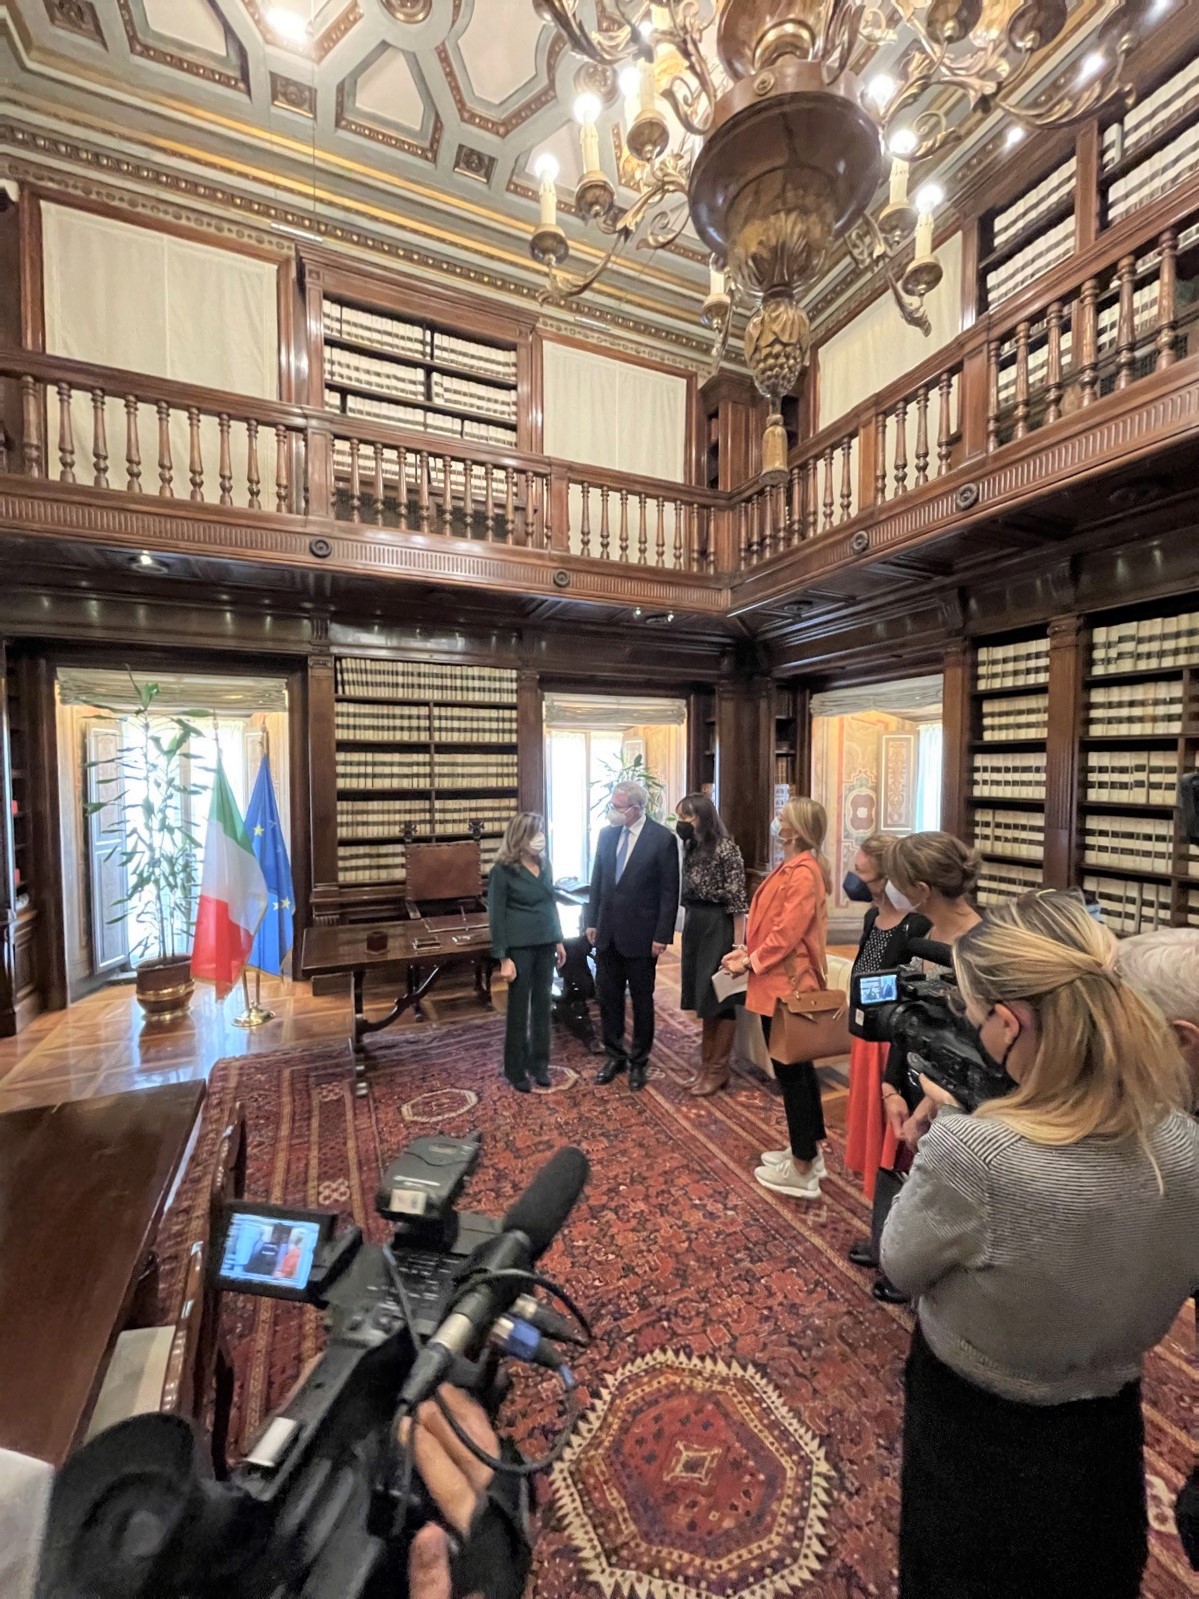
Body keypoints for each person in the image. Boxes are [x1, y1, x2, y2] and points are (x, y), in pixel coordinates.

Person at [880, 890, 1199, 1599]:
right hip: (1105, 1431)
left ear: (1008, 1021)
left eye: (971, 1014)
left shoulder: (972, 1154)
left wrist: (951, 1146)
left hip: (975, 1433)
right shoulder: (1185, 1146)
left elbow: (900, 1264)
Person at [721, 797, 831, 1199]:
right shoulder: (793, 867)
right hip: (778, 984)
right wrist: (745, 952)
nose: (775, 820)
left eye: (781, 818)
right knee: (797, 1073)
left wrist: (751, 961)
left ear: (795, 829)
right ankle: (808, 1151)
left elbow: (786, 935)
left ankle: (803, 1168)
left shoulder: (804, 872)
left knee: (793, 1076)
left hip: (789, 987)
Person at [842, 832, 931, 1203]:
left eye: (863, 873)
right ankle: (872, 1189)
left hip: (889, 1046)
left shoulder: (916, 927)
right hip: (864, 1037)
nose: (853, 881)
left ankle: (889, 1199)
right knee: (866, 1121)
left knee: (889, 1131)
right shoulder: (872, 916)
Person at [586, 779, 680, 1091]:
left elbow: (669, 893)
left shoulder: (661, 839)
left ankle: (640, 1060)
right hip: (607, 934)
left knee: (641, 1000)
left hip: (642, 936)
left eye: (617, 806)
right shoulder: (606, 834)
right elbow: (597, 880)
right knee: (608, 998)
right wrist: (591, 920)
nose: (612, 811)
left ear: (636, 809)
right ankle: (614, 1055)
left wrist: (662, 935)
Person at [676, 792, 748, 1097]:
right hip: (695, 924)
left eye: (686, 818)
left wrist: (738, 946)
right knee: (703, 998)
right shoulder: (691, 846)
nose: (681, 824)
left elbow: (738, 903)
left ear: (703, 818)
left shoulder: (726, 849)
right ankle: (707, 1066)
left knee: (720, 996)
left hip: (718, 925)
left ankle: (718, 1069)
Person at [487, 813, 566, 1093]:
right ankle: (515, 1068)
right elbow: (495, 916)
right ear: (520, 838)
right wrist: (503, 957)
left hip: (546, 942)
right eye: (535, 833)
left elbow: (550, 903)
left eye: (542, 831)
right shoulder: (502, 870)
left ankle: (539, 1064)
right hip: (519, 948)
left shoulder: (545, 864)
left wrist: (558, 940)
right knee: (519, 1009)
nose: (540, 838)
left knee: (543, 1005)